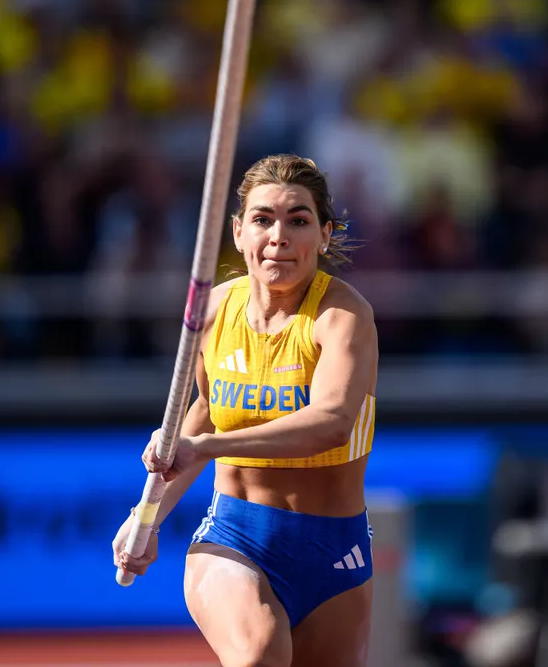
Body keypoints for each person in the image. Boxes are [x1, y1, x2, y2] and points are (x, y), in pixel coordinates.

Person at [113, 154, 379, 667]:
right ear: (238, 232)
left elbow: (331, 423)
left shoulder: (344, 317)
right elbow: (205, 412)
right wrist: (144, 515)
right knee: (258, 654)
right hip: (236, 538)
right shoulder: (214, 311)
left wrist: (208, 447)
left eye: (298, 220)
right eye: (263, 219)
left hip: (336, 551)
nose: (278, 237)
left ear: (324, 235)